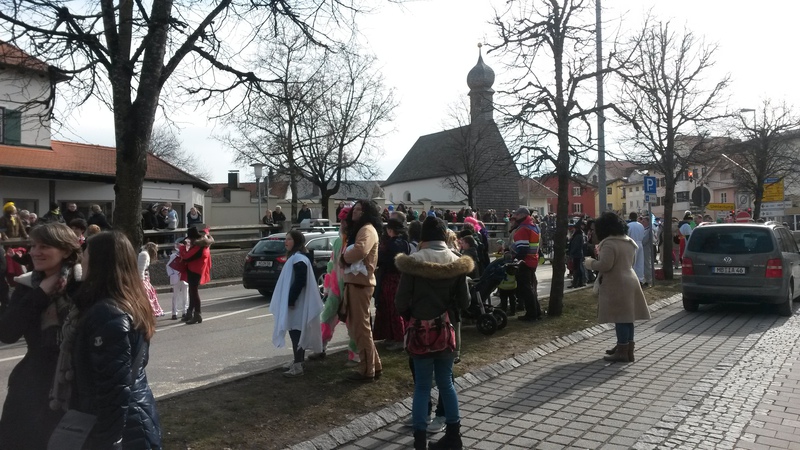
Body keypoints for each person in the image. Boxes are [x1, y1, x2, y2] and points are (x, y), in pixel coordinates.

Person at [56, 231, 161, 449]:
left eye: (85, 253)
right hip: (132, 419)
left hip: (123, 428)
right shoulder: (126, 301)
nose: (81, 260)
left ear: (99, 261)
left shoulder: (108, 314)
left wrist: (108, 441)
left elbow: (114, 389)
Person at [0, 223, 81, 450]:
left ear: (66, 250)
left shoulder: (82, 284)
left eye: (44, 246)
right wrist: (41, 293)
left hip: (74, 383)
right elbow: (7, 332)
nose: (35, 252)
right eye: (33, 246)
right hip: (31, 385)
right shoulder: (28, 286)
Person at [395, 216, 473, 450]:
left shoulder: (412, 263)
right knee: (446, 383)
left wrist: (413, 314)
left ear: (423, 237)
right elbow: (465, 302)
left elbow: (400, 302)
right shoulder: (457, 263)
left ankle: (420, 440)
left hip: (420, 332)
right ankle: (454, 436)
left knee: (422, 386)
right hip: (446, 332)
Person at [584, 212, 651, 363]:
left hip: (617, 283)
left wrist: (590, 263)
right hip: (630, 279)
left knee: (620, 318)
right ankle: (627, 349)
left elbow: (605, 265)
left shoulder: (609, 243)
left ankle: (622, 350)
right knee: (628, 318)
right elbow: (631, 262)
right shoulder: (628, 241)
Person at [269, 230, 324, 377]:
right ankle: (297, 361)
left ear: (297, 242)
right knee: (295, 330)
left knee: (296, 332)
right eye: (286, 239)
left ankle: (298, 365)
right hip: (297, 302)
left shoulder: (299, 258)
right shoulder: (296, 257)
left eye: (289, 239)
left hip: (298, 303)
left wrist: (291, 299)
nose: (286, 242)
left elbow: (300, 280)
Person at [309, 206, 359, 364]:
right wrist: (328, 287)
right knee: (327, 316)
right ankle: (320, 347)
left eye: (345, 221)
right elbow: (331, 265)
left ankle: (355, 354)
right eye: (341, 221)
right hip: (336, 288)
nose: (342, 224)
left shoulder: (356, 242)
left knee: (353, 321)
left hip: (351, 286)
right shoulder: (338, 242)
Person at [340, 199, 382, 382]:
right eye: (354, 209)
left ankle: (367, 370)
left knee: (361, 328)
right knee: (360, 327)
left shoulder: (367, 229)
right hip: (356, 283)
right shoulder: (362, 229)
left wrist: (343, 258)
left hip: (360, 283)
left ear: (367, 213)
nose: (354, 212)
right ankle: (374, 366)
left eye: (359, 209)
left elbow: (360, 251)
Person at [373, 218, 412, 351]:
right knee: (395, 307)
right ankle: (395, 336)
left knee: (390, 308)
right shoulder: (405, 243)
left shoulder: (390, 244)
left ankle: (398, 338)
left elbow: (381, 259)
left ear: (390, 230)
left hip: (389, 277)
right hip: (400, 276)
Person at [510, 207, 542, 321]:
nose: (514, 217)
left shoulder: (523, 229)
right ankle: (537, 312)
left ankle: (531, 314)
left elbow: (523, 248)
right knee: (531, 288)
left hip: (524, 262)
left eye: (516, 215)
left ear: (522, 215)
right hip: (533, 260)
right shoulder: (534, 226)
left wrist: (516, 261)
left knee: (526, 289)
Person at [180, 226, 213, 324]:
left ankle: (197, 314)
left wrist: (182, 249)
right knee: (192, 291)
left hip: (194, 271)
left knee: (194, 292)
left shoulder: (199, 247)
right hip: (196, 270)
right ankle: (190, 312)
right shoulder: (202, 245)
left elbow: (186, 257)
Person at [139, 242, 165, 317]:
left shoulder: (145, 254)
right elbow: (140, 269)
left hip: (145, 279)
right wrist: (141, 281)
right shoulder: (144, 255)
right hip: (142, 279)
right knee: (147, 296)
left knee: (150, 295)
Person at [166, 238, 189, 321]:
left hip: (185, 277)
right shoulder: (173, 256)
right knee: (175, 295)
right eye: (180, 244)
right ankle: (174, 313)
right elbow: (168, 266)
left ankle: (184, 311)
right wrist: (173, 274)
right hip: (176, 277)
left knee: (185, 295)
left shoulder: (187, 255)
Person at [627, 212, 646, 285]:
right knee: (640, 262)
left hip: (632, 244)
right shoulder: (641, 225)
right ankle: (640, 278)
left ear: (630, 217)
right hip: (640, 243)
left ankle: (633, 279)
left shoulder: (629, 225)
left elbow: (627, 235)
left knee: (632, 262)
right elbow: (643, 235)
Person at [568, 219, 587, 288]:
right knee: (577, 269)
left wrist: (571, 253)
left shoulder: (578, 235)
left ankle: (577, 282)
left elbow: (576, 246)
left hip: (577, 254)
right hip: (578, 254)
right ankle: (578, 282)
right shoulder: (578, 234)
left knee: (577, 269)